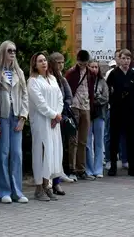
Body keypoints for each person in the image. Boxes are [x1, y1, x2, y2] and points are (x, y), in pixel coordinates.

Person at [0, 40, 28, 203]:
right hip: (2, 117)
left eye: (14, 51)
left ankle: (17, 191)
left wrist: (23, 117)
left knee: (17, 154)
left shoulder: (19, 72)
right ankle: (4, 190)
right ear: (3, 52)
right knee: (3, 153)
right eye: (10, 50)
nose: (13, 53)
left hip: (16, 116)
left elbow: (25, 95)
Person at [27, 52, 64, 201]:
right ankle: (38, 187)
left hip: (54, 122)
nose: (43, 63)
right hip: (42, 122)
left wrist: (58, 114)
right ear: (35, 64)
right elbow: (40, 103)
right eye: (40, 61)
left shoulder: (53, 79)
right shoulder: (33, 81)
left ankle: (47, 184)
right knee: (41, 152)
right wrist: (53, 115)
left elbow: (60, 98)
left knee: (52, 152)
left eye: (44, 60)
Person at [106, 49, 134, 177]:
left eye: (128, 59)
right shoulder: (113, 74)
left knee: (130, 140)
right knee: (114, 138)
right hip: (117, 110)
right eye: (124, 58)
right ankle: (113, 166)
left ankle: (132, 166)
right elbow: (107, 91)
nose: (126, 61)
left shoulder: (133, 74)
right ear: (119, 59)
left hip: (130, 111)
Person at [64, 50, 95, 180]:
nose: (82, 65)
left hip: (86, 106)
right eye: (81, 63)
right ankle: (72, 169)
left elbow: (91, 91)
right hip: (74, 106)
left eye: (84, 63)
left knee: (83, 140)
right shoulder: (71, 73)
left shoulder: (91, 73)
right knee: (73, 140)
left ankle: (81, 169)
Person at [47, 52, 74, 189]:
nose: (61, 65)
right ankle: (51, 177)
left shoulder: (62, 79)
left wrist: (63, 108)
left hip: (61, 116)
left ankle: (60, 172)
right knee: (50, 148)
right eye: (58, 62)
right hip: (50, 116)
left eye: (62, 62)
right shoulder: (48, 78)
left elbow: (68, 96)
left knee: (61, 146)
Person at [85, 59, 109, 180]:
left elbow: (106, 98)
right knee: (88, 143)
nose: (94, 69)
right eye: (92, 67)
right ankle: (89, 169)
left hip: (99, 114)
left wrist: (95, 99)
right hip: (88, 114)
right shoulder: (85, 81)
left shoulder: (102, 82)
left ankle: (98, 169)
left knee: (99, 143)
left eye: (96, 67)